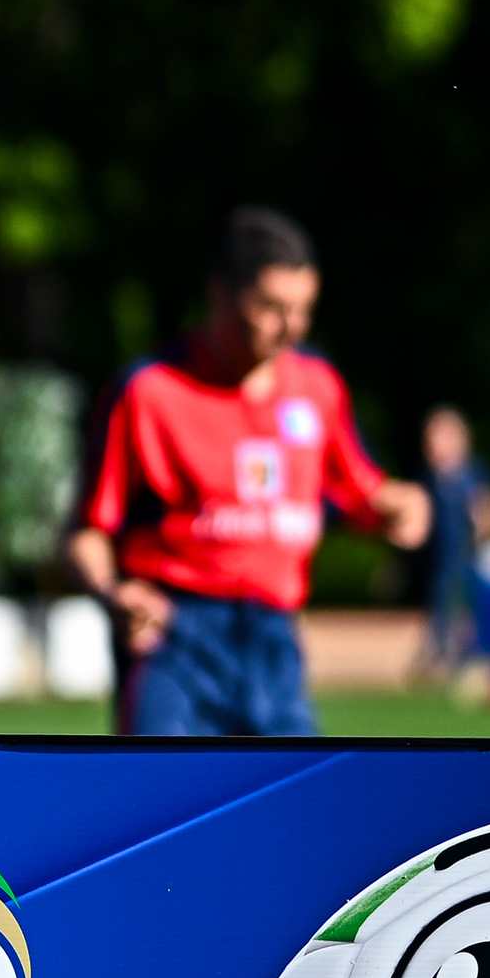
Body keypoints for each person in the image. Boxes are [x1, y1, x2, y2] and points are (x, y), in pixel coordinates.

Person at [65, 207, 431, 736]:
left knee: (294, 789)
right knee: (161, 787)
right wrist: (111, 592)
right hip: (175, 637)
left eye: (303, 310)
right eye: (271, 307)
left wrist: (403, 509)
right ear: (219, 294)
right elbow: (86, 531)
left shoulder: (317, 386)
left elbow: (363, 493)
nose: (291, 327)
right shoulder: (151, 391)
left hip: (275, 639)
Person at [416, 404, 490, 677]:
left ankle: (466, 658)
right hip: (440, 559)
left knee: (467, 609)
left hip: (468, 556)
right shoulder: (428, 477)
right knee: (441, 606)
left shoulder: (474, 473)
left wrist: (483, 524)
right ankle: (440, 656)